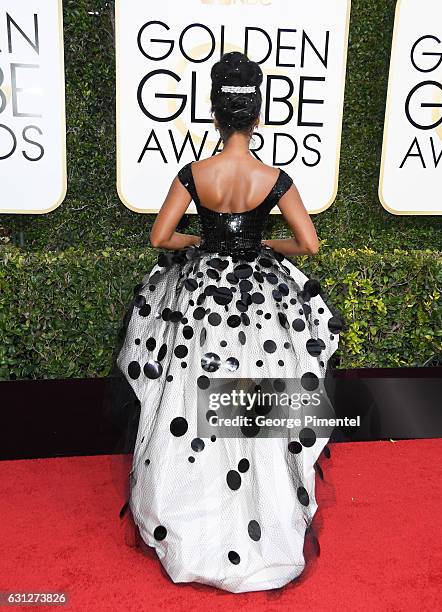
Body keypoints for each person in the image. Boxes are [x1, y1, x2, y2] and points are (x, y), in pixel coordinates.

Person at [114, 51, 344, 593]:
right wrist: (265, 242)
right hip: (261, 301)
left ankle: (196, 522)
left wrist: (199, 240)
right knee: (259, 407)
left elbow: (159, 237)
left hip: (201, 302)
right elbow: (308, 243)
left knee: (190, 402)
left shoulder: (195, 174)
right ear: (257, 116)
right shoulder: (274, 177)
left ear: (216, 116)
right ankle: (261, 523)